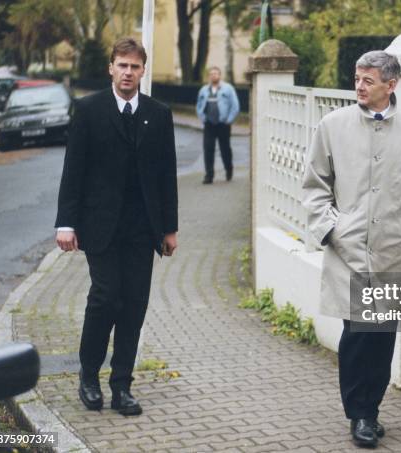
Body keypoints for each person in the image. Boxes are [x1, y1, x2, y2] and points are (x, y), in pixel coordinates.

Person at [301, 50, 401, 448]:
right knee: (358, 334)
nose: (359, 85)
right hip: (348, 250)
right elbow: (314, 186)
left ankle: (370, 409)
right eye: (356, 78)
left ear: (392, 85)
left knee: (382, 335)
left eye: (368, 80)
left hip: (392, 251)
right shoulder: (332, 125)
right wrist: (332, 228)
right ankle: (361, 414)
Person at [55, 37, 178, 417]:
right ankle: (89, 375)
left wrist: (169, 228)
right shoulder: (89, 109)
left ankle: (122, 384)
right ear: (111, 68)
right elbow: (73, 170)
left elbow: (166, 175)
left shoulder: (159, 114)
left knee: (134, 304)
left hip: (143, 227)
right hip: (100, 225)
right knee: (106, 296)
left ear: (143, 71)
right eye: (121, 65)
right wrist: (66, 223)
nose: (128, 72)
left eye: (135, 66)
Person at [196, 66, 240, 184]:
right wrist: (203, 118)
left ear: (220, 75)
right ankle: (209, 175)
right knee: (208, 149)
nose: (213, 76)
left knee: (225, 149)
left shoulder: (228, 89)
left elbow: (235, 106)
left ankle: (228, 170)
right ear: (209, 76)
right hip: (209, 124)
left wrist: (229, 120)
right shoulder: (204, 90)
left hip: (223, 124)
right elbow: (199, 105)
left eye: (216, 73)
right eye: (211, 74)